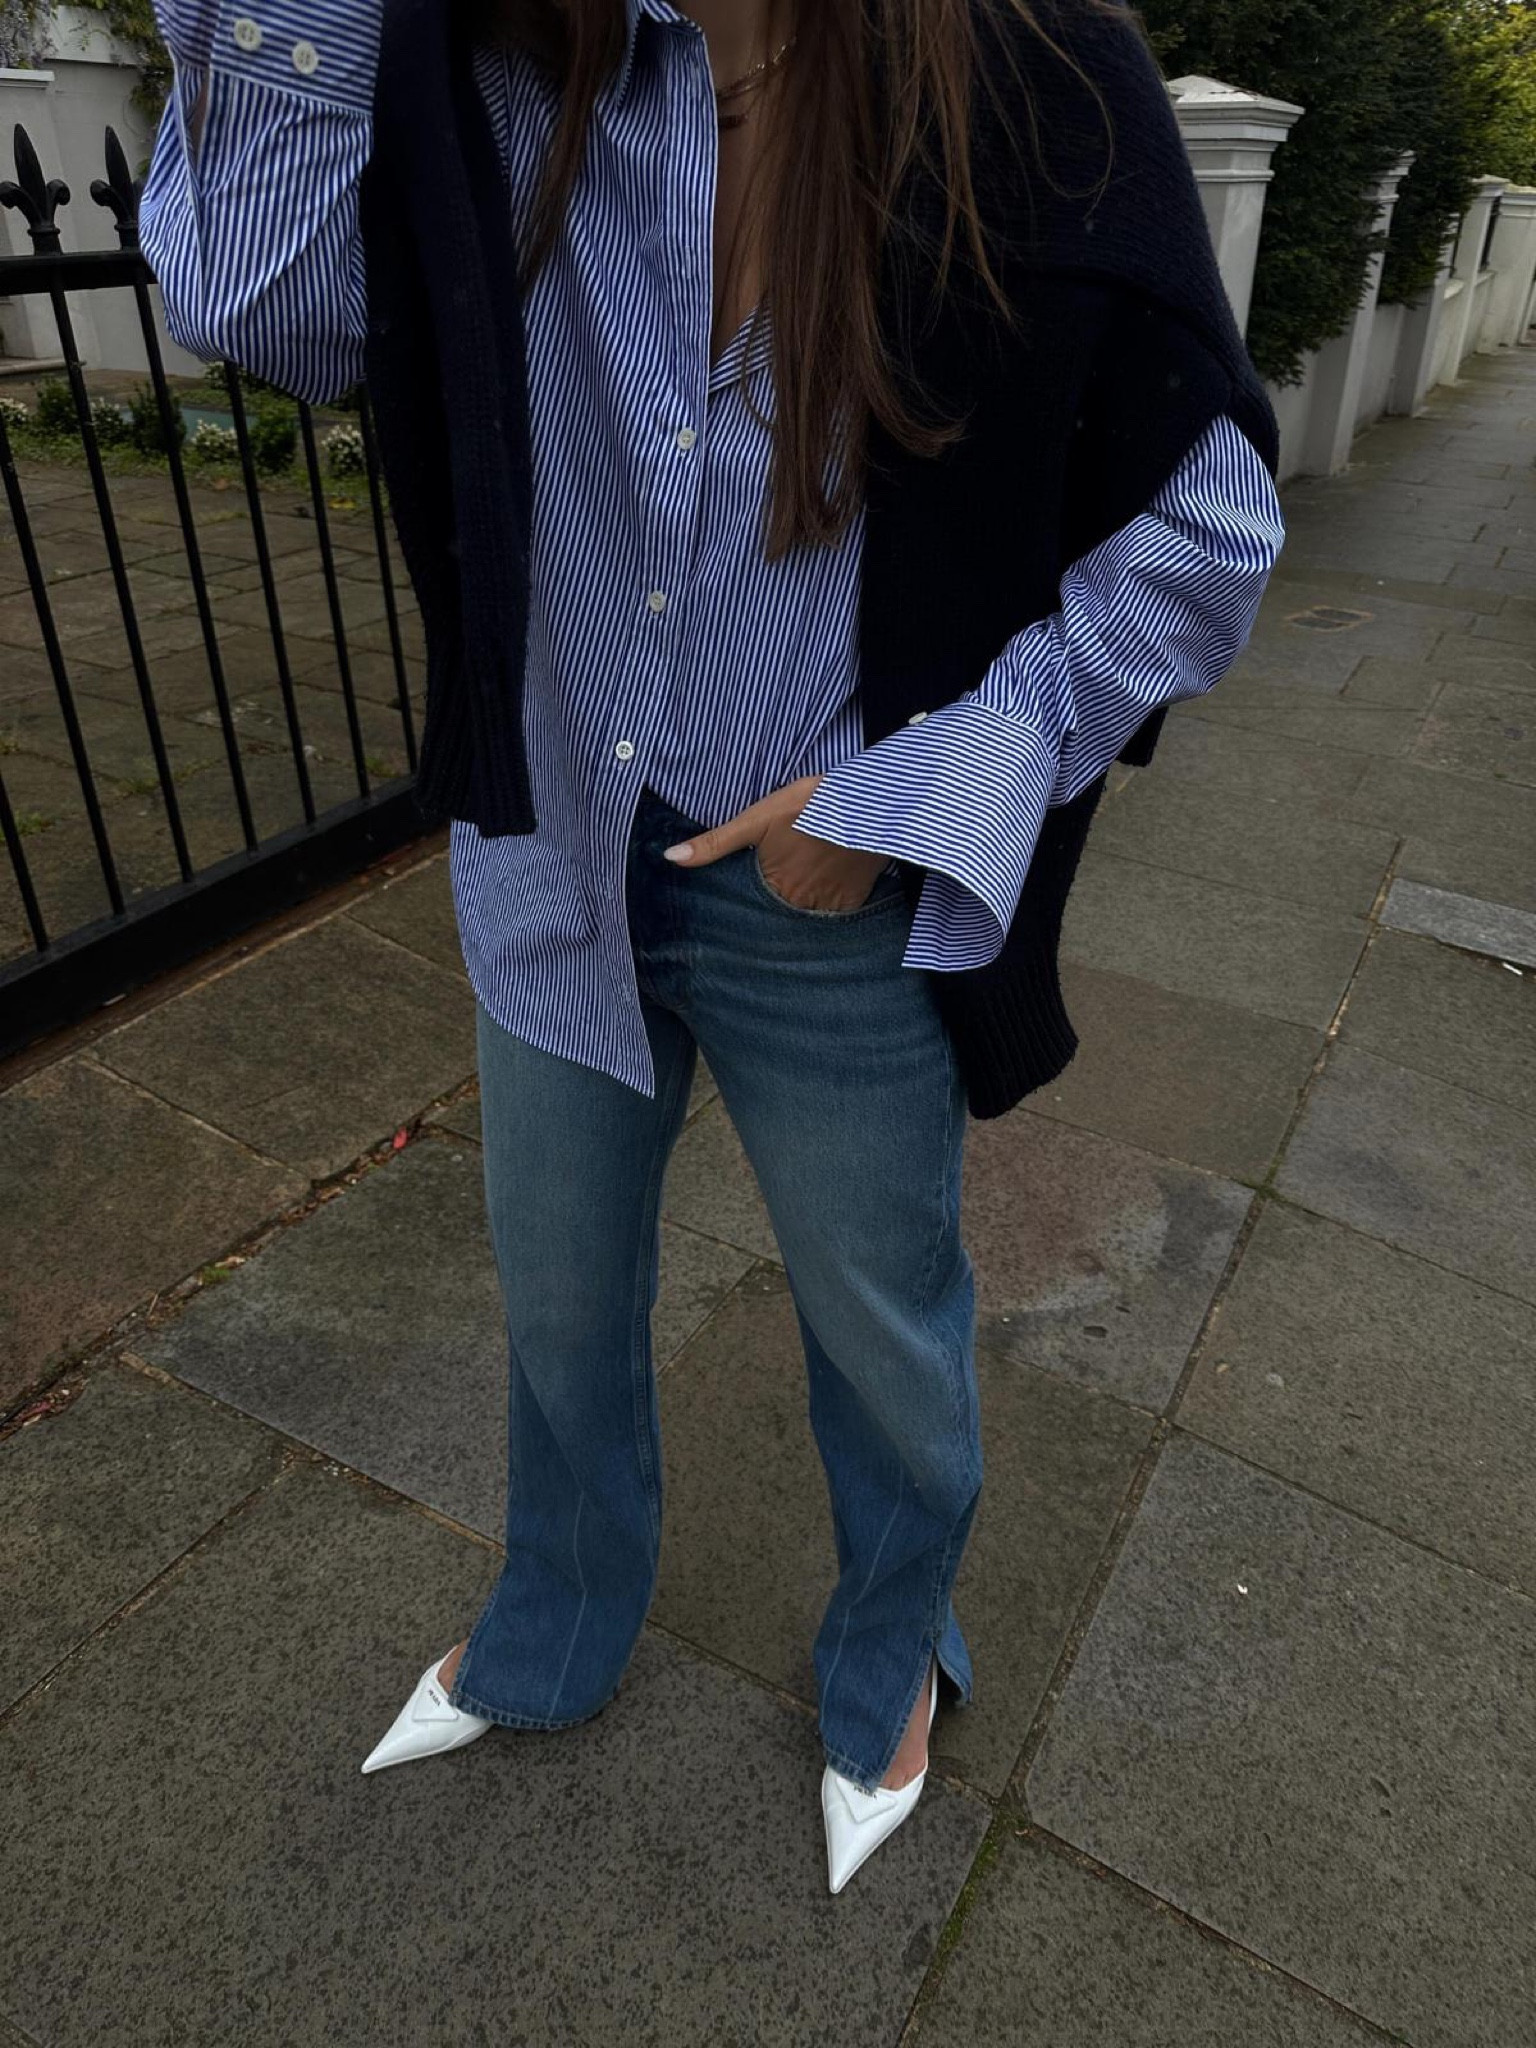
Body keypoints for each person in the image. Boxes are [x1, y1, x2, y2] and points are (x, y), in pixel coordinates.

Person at [142, 0, 1284, 1892]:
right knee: (560, 1305)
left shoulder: (1030, 71)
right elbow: (276, 308)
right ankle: (558, 1620)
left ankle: (890, 1645)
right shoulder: (484, 53)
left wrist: (905, 798)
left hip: (827, 888)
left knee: (885, 1334)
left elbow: (1210, 517)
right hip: (552, 852)